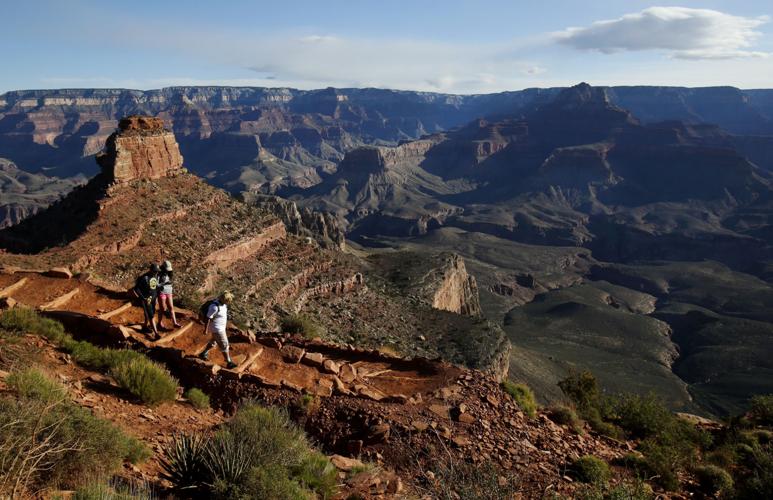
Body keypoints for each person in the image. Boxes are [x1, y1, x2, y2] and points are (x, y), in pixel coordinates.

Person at [198, 291, 238, 369]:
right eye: (228, 300)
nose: (229, 302)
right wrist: (206, 329)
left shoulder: (223, 304)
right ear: (225, 300)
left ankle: (203, 353)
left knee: (213, 342)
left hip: (219, 328)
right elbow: (208, 318)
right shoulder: (214, 307)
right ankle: (229, 362)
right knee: (225, 345)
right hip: (218, 329)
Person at [133, 263, 160, 339]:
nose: (156, 273)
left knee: (151, 314)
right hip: (147, 300)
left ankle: (145, 326)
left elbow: (155, 288)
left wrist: (157, 297)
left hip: (153, 298)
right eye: (155, 271)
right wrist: (142, 298)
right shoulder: (144, 278)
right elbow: (136, 288)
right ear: (151, 270)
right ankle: (156, 333)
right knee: (151, 316)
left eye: (157, 271)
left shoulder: (155, 276)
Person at [157, 260, 181, 330]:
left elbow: (170, 282)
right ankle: (159, 323)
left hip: (169, 292)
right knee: (162, 308)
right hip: (162, 292)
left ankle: (175, 323)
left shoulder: (169, 273)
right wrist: (163, 284)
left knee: (171, 307)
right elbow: (156, 284)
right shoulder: (159, 274)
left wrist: (169, 284)